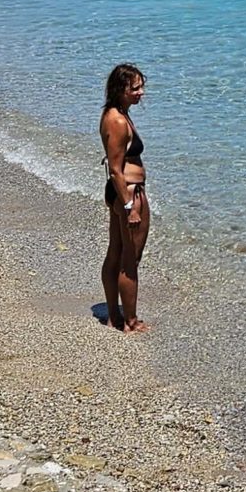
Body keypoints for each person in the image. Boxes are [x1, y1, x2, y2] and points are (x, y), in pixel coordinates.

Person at [98, 64, 152, 333]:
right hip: (129, 192)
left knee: (116, 253)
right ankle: (130, 321)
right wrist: (131, 207)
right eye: (135, 88)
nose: (141, 93)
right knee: (130, 260)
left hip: (119, 193)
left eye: (142, 86)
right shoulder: (118, 122)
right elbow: (117, 169)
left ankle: (113, 316)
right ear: (121, 90)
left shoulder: (113, 114)